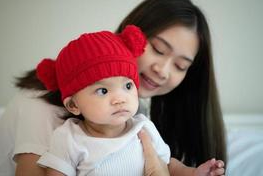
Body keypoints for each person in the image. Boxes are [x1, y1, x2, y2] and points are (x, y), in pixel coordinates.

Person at [0, 0, 226, 176]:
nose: (162, 71)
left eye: (181, 66)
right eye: (158, 49)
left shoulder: (131, 116)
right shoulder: (45, 105)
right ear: (132, 39)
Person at [34, 25, 224, 176]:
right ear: (74, 105)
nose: (120, 99)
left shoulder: (143, 128)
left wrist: (193, 173)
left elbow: (167, 165)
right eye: (102, 90)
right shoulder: (69, 138)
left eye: (127, 86)